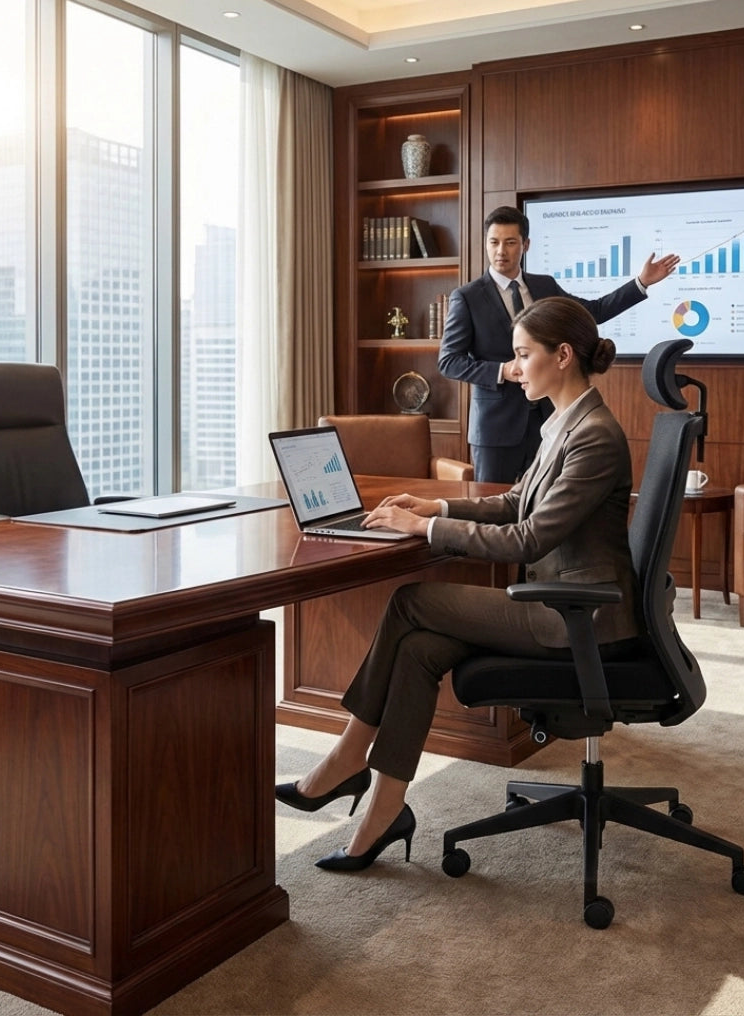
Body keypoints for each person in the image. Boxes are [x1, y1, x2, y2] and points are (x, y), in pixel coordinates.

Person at [275, 297, 645, 871]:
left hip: (578, 618)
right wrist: (439, 504)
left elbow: (528, 539)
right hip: (559, 604)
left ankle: (346, 759)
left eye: (524, 355)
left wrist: (425, 528)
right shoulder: (565, 422)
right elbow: (518, 501)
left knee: (411, 601)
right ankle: (385, 809)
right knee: (420, 649)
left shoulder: (593, 435)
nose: (515, 368)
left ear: (563, 356)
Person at [438, 204, 679, 484]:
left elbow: (593, 311)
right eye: (494, 242)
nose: (501, 251)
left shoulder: (545, 287)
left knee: (547, 505)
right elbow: (449, 361)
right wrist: (501, 371)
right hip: (496, 427)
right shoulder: (466, 297)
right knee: (494, 508)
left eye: (510, 242)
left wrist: (641, 282)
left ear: (525, 245)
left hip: (550, 419)